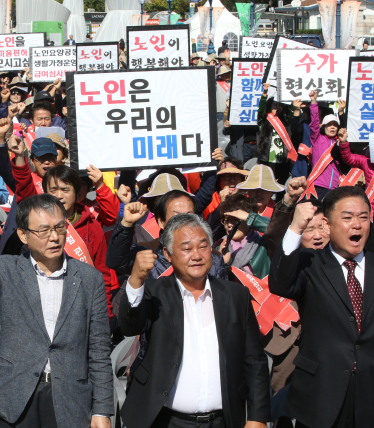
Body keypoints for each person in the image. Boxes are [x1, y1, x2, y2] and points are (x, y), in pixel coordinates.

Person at [0, 193, 114, 427]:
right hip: (14, 397)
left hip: (69, 400)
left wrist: (102, 409)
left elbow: (99, 350)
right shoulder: (7, 269)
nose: (54, 237)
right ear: (23, 234)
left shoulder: (89, 279)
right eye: (43, 230)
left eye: (59, 227)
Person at [117, 213, 270, 428]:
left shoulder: (235, 295)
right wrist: (135, 280)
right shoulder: (155, 293)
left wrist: (257, 417)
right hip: (165, 420)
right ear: (167, 255)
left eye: (203, 246)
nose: (196, 255)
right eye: (187, 249)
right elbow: (129, 324)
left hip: (223, 420)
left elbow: (254, 359)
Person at [270, 186, 373, 428]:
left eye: (364, 217)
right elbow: (280, 283)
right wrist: (295, 228)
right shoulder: (311, 263)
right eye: (347, 218)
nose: (357, 225)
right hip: (321, 394)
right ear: (327, 224)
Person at [309, 89, 342, 201]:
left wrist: (341, 112)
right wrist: (314, 102)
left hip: (334, 188)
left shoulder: (339, 142)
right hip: (318, 185)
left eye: (335, 125)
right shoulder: (317, 139)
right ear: (323, 126)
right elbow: (314, 124)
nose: (332, 127)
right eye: (329, 125)